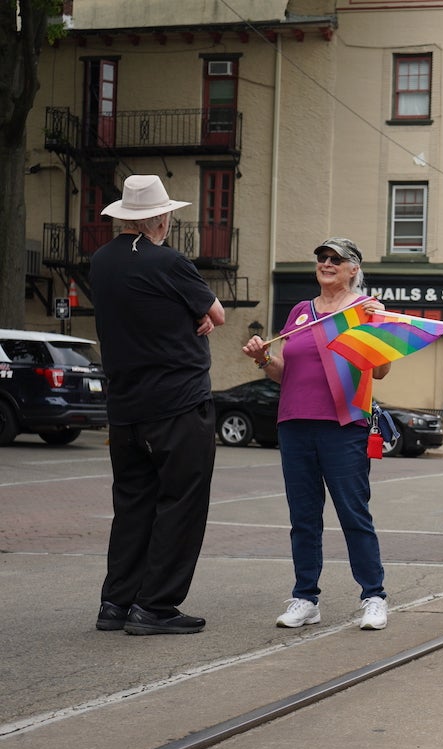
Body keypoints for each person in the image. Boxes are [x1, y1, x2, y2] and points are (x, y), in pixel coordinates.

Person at [90, 174, 226, 635]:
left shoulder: (100, 262)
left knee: (132, 502)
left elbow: (138, 312)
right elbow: (217, 314)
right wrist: (197, 318)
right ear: (160, 218)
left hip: (125, 404)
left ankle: (116, 602)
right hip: (177, 401)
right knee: (181, 501)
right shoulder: (169, 261)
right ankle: (156, 605)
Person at [242, 237, 394, 632]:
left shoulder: (364, 309)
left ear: (353, 269)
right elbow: (284, 372)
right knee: (303, 517)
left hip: (344, 426)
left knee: (353, 514)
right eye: (322, 258)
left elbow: (379, 372)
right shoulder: (299, 312)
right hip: (294, 423)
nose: (326, 263)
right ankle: (305, 598)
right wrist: (263, 359)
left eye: (336, 259)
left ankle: (374, 596)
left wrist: (378, 329)